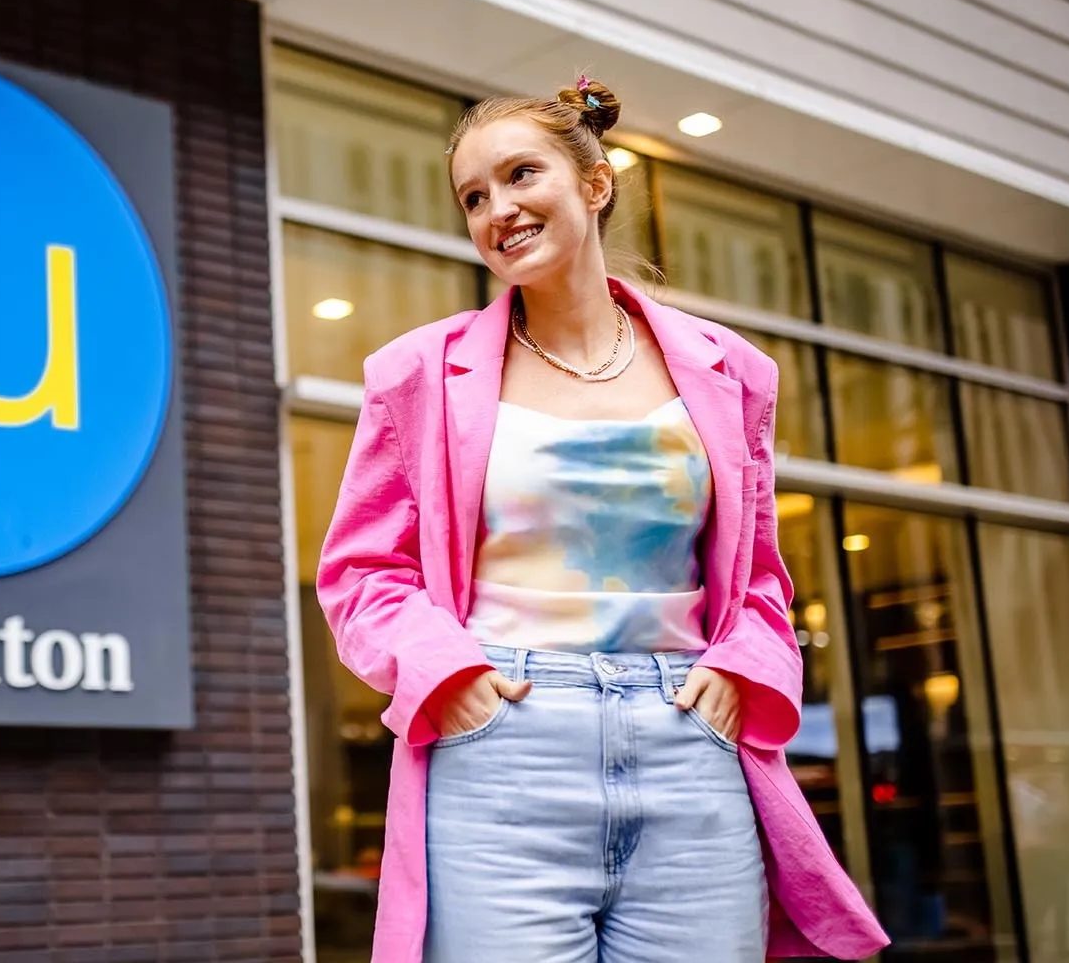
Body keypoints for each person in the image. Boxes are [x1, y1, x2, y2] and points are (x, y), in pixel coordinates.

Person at [314, 77, 890, 962]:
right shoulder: (417, 373)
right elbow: (361, 572)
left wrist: (741, 670)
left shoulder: (731, 371)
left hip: (689, 744)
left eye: (519, 175)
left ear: (594, 182)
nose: (498, 210)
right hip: (504, 743)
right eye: (474, 197)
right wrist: (445, 674)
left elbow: (761, 579)